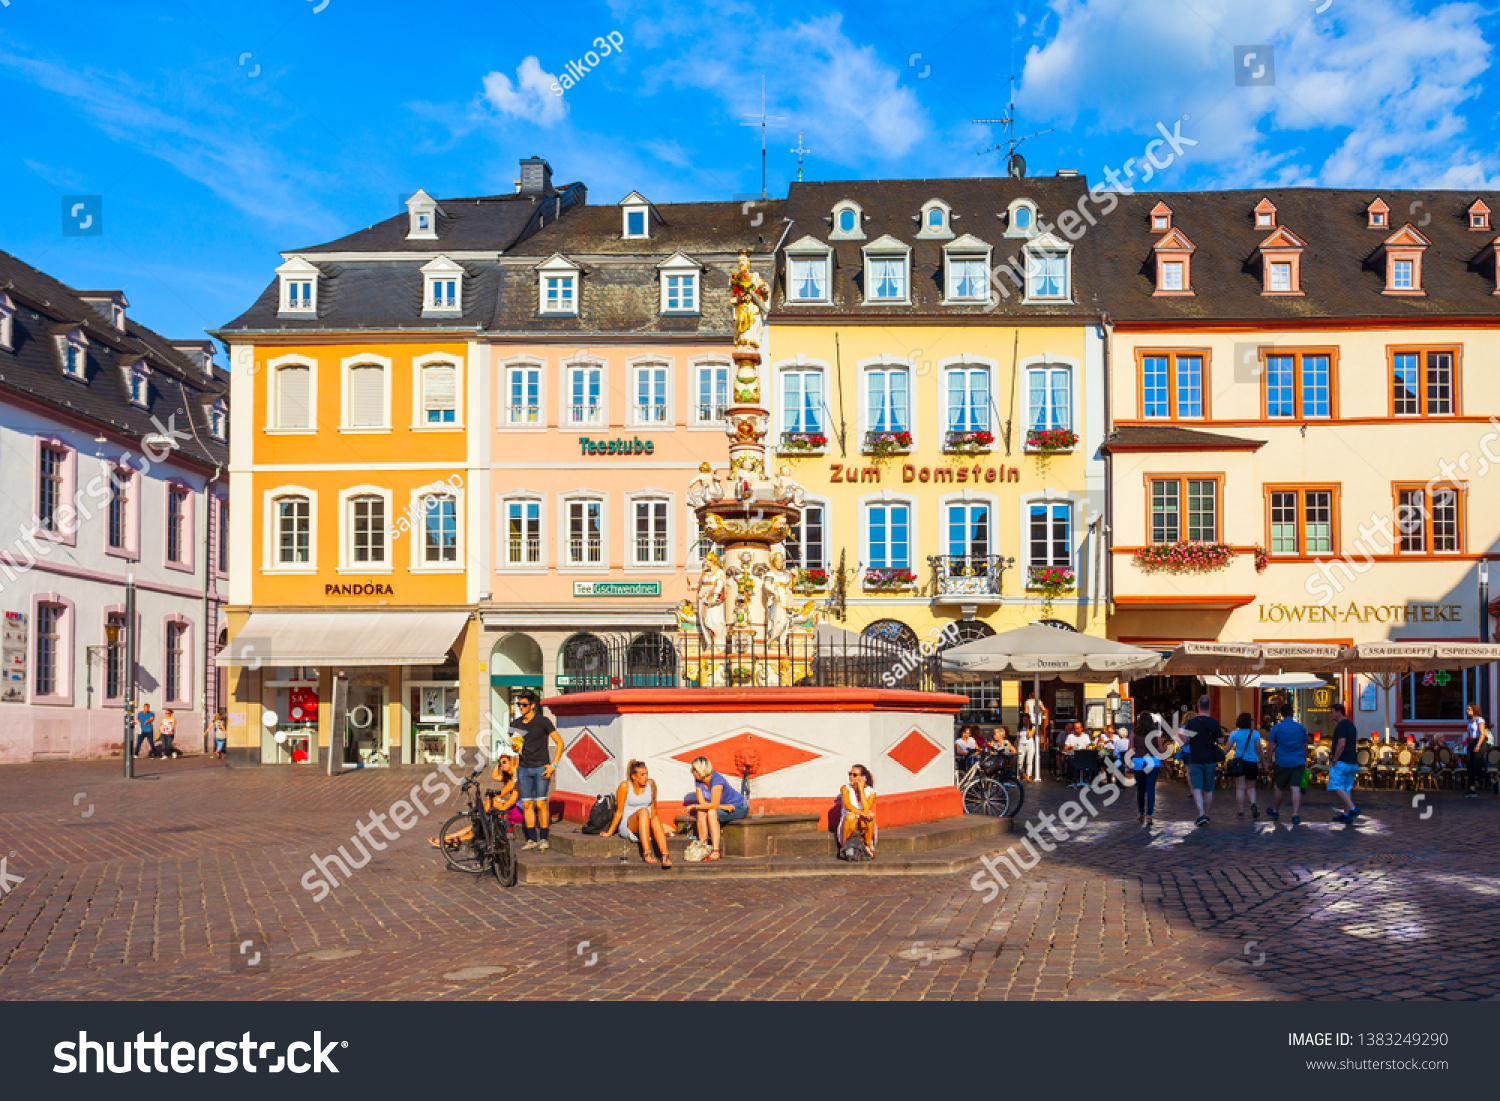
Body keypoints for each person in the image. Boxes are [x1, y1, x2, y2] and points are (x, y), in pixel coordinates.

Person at [511, 689, 565, 852]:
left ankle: (544, 838)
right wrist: (515, 748)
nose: (521, 707)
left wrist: (553, 765)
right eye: (519, 704)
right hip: (523, 768)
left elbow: (560, 743)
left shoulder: (543, 722)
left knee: (541, 803)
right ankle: (531, 839)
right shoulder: (516, 724)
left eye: (524, 705)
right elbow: (516, 748)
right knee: (527, 805)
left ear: (532, 705)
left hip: (541, 767)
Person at [601, 760, 672, 868]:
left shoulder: (651, 784)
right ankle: (647, 852)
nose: (646, 777)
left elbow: (653, 808)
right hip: (630, 825)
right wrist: (610, 832)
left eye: (646, 773)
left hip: (646, 824)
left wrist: (655, 827)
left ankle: (665, 855)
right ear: (633, 776)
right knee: (643, 811)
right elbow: (619, 811)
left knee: (655, 818)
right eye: (642, 775)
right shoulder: (625, 786)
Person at [686, 756, 748, 861]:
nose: (691, 772)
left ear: (698, 770)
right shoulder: (698, 781)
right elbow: (703, 803)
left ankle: (715, 851)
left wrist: (694, 806)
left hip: (738, 807)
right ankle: (703, 846)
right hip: (723, 807)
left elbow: (711, 805)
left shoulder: (716, 779)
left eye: (692, 770)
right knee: (701, 811)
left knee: (711, 812)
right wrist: (722, 806)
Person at [1180, 695, 1225, 827]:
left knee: (1197, 788)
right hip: (1210, 759)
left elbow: (1185, 741)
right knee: (1209, 788)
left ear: (1198, 706)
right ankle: (1206, 813)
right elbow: (1221, 741)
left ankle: (1200, 814)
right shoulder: (1214, 722)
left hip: (1195, 759)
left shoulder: (1192, 723)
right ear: (1209, 707)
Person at [1265, 702, 1309, 824]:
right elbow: (1305, 746)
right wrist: (1305, 759)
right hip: (1298, 761)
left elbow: (1270, 746)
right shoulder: (1300, 727)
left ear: (1281, 714)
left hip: (1281, 761)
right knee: (1296, 788)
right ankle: (1295, 814)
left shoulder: (1277, 728)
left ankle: (1276, 810)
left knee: (1280, 787)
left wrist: (1268, 761)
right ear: (1292, 713)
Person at [1327, 703, 1362, 822]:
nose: (1330, 715)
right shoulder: (1351, 725)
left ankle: (1353, 808)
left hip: (1342, 761)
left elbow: (1341, 744)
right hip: (1352, 761)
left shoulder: (1341, 726)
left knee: (1334, 784)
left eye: (1332, 712)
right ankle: (1347, 814)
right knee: (1347, 788)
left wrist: (1335, 759)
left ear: (1338, 712)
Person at [1225, 712, 1262, 820]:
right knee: (1251, 787)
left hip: (1239, 763)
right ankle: (1253, 803)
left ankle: (1241, 811)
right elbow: (1258, 750)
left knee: (1240, 788)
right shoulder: (1255, 734)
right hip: (1252, 762)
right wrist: (1263, 762)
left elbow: (1227, 748)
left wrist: (1219, 755)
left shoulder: (1234, 734)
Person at [1130, 711, 1162, 826]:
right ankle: (1149, 815)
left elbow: (1131, 749)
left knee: (1140, 789)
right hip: (1152, 761)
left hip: (1138, 761)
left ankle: (1140, 813)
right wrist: (1166, 764)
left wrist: (1127, 766)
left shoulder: (1134, 732)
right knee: (1151, 789)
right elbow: (1161, 749)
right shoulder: (1156, 732)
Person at [839, 765, 877, 859]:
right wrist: (862, 813)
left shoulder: (871, 792)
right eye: (850, 774)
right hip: (848, 822)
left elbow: (867, 808)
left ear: (862, 778)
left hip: (863, 823)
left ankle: (868, 847)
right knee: (851, 816)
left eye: (854, 775)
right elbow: (848, 805)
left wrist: (861, 790)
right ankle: (845, 847)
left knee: (868, 816)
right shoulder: (845, 788)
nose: (851, 777)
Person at [1465, 702, 1491, 798]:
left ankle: (1490, 779)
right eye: (1467, 709)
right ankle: (1472, 789)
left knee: (1476, 768)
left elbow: (1482, 734)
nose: (1467, 711)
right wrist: (1468, 742)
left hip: (1478, 742)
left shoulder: (1480, 720)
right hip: (1471, 742)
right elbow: (1470, 733)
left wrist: (1478, 745)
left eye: (1469, 709)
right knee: (1469, 766)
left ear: (1474, 710)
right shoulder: (1470, 721)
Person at [1017, 717, 1039, 782]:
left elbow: (1029, 735)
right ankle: (1021, 773)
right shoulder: (1020, 727)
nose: (1025, 721)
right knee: (1020, 761)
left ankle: (1028, 776)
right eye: (1024, 720)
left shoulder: (1032, 727)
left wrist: (1028, 727)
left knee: (1029, 761)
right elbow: (1018, 736)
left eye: (1026, 720)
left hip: (1030, 745)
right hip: (1021, 745)